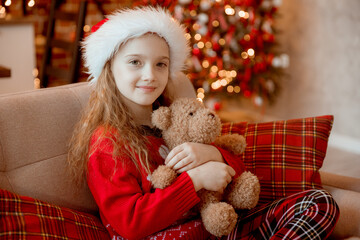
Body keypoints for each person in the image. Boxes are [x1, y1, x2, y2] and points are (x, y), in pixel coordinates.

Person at [68, 6, 339, 240]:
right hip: (166, 234)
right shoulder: (108, 143)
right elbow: (130, 224)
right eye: (135, 62)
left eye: (160, 64)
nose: (149, 75)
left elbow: (235, 171)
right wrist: (194, 180)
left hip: (215, 226)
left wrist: (213, 154)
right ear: (109, 69)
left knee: (319, 203)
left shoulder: (175, 118)